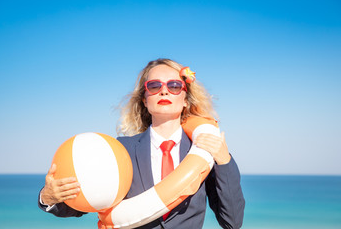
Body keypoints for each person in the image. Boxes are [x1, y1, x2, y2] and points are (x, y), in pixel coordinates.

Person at [38, 58, 245, 228]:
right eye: (154, 86)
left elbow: (232, 222)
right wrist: (48, 198)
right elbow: (88, 200)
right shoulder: (120, 150)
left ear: (185, 100)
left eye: (174, 86)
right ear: (145, 100)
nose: (164, 91)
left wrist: (224, 160)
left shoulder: (203, 151)